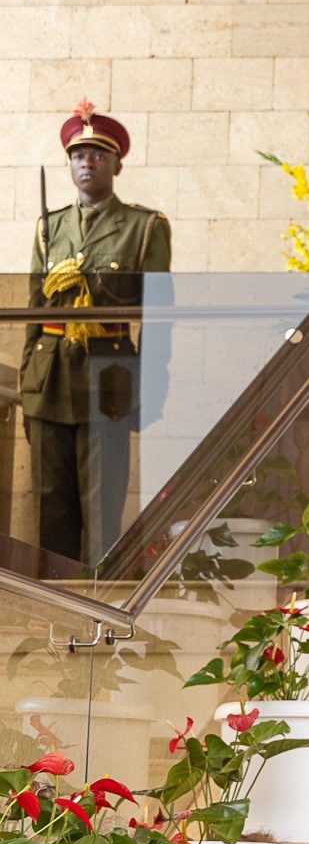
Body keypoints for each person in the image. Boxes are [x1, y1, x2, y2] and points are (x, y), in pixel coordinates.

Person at [23, 106, 170, 567]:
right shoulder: (50, 227)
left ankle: (96, 612)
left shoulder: (145, 228)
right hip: (50, 381)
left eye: (98, 155)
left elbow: (159, 317)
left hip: (109, 379)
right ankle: (49, 617)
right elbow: (33, 309)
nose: (87, 162)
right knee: (52, 510)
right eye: (79, 155)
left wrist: (149, 393)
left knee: (102, 513)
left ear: (116, 165)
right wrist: (30, 378)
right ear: (69, 165)